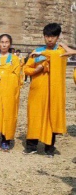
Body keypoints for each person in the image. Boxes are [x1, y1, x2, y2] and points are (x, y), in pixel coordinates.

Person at [23, 23, 76, 157]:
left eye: (53, 36)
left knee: (50, 117)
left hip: (53, 91)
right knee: (34, 116)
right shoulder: (37, 51)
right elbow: (26, 69)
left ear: (58, 37)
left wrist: (64, 47)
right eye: (47, 36)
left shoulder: (60, 52)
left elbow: (61, 54)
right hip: (37, 90)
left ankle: (49, 147)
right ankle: (31, 145)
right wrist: (36, 70)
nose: (50, 39)